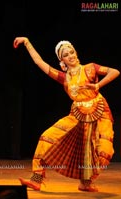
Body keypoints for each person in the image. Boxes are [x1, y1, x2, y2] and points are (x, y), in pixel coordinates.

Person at [13, 36, 119, 192]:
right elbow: (39, 63)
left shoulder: (90, 68)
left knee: (102, 151)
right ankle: (36, 179)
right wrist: (27, 42)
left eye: (72, 52)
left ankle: (86, 182)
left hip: (99, 111)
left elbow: (114, 71)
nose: (71, 55)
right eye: (66, 54)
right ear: (62, 60)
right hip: (77, 114)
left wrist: (97, 85)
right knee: (47, 137)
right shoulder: (64, 78)